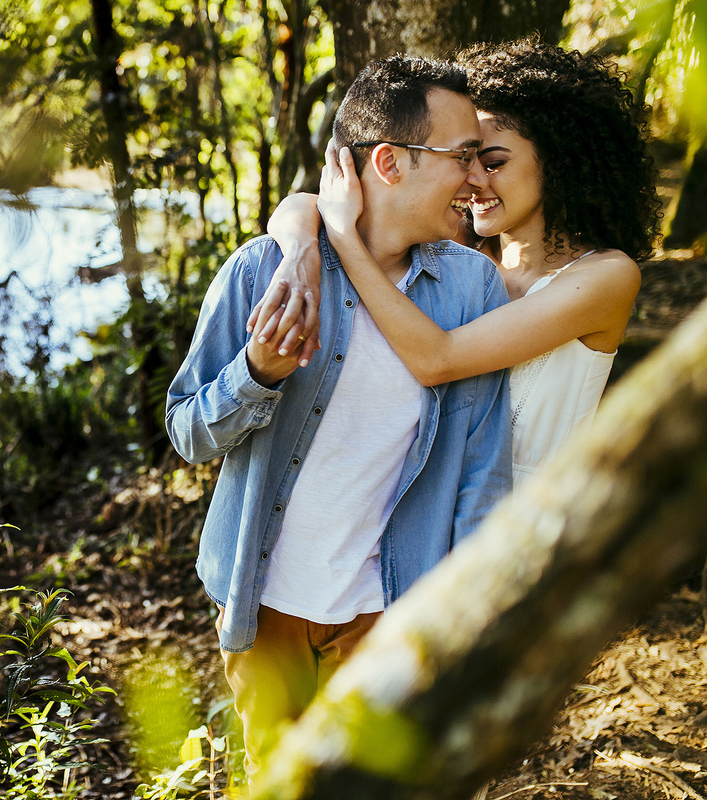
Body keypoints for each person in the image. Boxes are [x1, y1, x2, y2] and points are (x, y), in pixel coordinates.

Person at [164, 55, 513, 779]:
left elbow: (483, 464)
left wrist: (469, 617)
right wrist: (255, 375)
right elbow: (188, 433)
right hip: (264, 609)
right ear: (389, 161)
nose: (479, 180)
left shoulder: (472, 285)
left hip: (391, 611)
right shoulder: (264, 271)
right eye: (465, 157)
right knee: (280, 781)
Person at [260, 39, 660, 482]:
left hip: (531, 526)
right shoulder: (460, 258)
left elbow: (438, 360)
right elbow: (302, 204)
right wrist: (299, 251)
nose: (472, 180)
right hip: (425, 521)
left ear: (560, 160)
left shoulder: (605, 277)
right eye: (464, 160)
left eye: (492, 163)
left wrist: (342, 237)